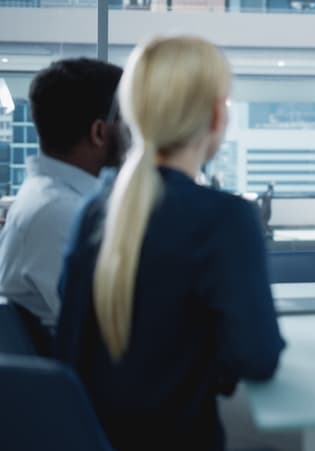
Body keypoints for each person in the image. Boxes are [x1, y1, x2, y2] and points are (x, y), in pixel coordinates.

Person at [54, 36, 285, 451]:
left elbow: (70, 349)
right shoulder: (225, 217)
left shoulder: (94, 210)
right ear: (217, 115)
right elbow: (258, 358)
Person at [0, 58, 124, 339]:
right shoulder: (58, 214)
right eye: (127, 122)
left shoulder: (55, 199)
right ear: (99, 132)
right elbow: (118, 328)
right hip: (86, 379)